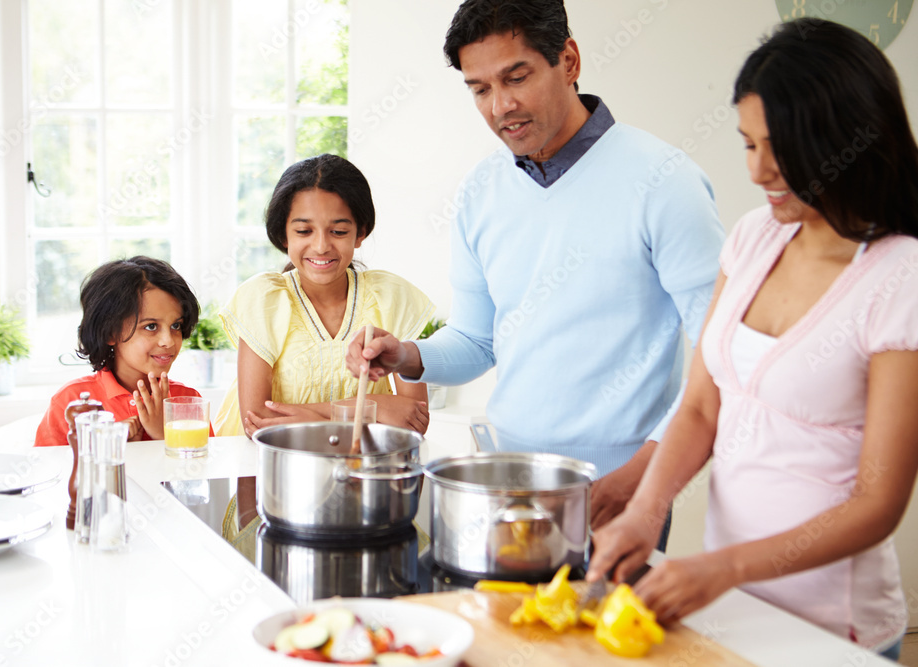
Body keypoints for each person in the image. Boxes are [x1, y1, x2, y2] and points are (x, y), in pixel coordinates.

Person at [587, 19, 918, 660]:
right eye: (747, 144)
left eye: (781, 147)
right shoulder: (752, 238)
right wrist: (647, 512)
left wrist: (724, 568)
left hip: (833, 625)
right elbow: (702, 408)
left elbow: (880, 503)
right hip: (731, 612)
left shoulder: (899, 275)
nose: (760, 170)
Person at [345, 0, 724, 536]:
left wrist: (643, 478)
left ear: (568, 61)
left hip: (619, 493)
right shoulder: (480, 192)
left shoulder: (665, 181)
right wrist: (406, 355)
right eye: (480, 89)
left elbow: (723, 357)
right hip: (508, 484)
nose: (501, 106)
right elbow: (479, 341)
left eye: (515, 77)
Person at [213, 153, 435, 437]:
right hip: (267, 469)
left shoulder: (391, 298)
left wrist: (310, 415)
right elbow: (257, 422)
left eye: (339, 231)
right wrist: (374, 408)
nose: (320, 246)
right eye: (304, 230)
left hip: (359, 469)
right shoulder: (264, 300)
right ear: (284, 235)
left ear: (360, 233)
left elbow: (414, 418)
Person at [35, 256, 208, 446]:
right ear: (110, 332)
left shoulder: (188, 401)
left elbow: (206, 471)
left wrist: (164, 436)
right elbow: (50, 472)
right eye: (151, 326)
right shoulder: (71, 402)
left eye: (176, 325)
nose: (168, 341)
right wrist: (111, 446)